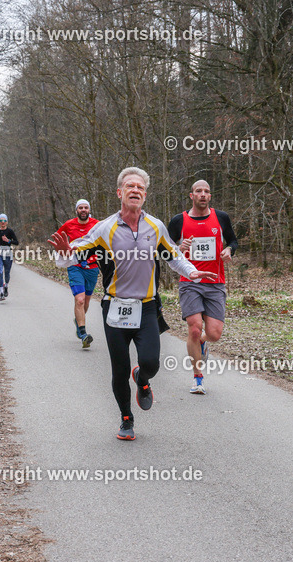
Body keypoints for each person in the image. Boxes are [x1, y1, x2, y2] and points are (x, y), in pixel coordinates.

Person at [48, 167, 216, 440]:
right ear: (120, 193)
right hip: (114, 308)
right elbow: (75, 253)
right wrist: (66, 254)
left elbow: (173, 256)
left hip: (147, 306)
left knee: (150, 362)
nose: (135, 190)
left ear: (145, 195)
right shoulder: (105, 228)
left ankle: (143, 378)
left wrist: (192, 272)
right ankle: (126, 418)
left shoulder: (156, 226)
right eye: (130, 186)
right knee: (119, 368)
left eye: (140, 187)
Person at [168, 180, 238, 394]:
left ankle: (202, 344)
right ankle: (198, 378)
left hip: (216, 282)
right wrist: (179, 247)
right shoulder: (179, 220)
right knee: (195, 327)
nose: (203, 195)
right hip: (190, 281)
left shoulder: (221, 217)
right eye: (199, 191)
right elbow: (166, 250)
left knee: (214, 334)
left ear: (210, 196)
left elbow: (233, 242)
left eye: (207, 191)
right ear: (191, 195)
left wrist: (229, 251)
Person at [54, 199, 100, 349]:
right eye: (80, 208)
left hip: (92, 267)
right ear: (76, 210)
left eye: (86, 207)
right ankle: (83, 334)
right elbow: (58, 241)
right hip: (75, 265)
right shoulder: (68, 224)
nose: (83, 210)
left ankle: (78, 321)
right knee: (79, 300)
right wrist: (61, 251)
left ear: (89, 209)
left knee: (86, 302)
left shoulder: (97, 224)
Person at [0, 214, 19, 301]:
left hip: (7, 254)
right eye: (1, 221)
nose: (2, 222)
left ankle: (6, 286)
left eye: (4, 221)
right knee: (0, 271)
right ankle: (1, 293)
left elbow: (16, 242)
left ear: (7, 222)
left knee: (6, 273)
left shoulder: (10, 231)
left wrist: (8, 240)